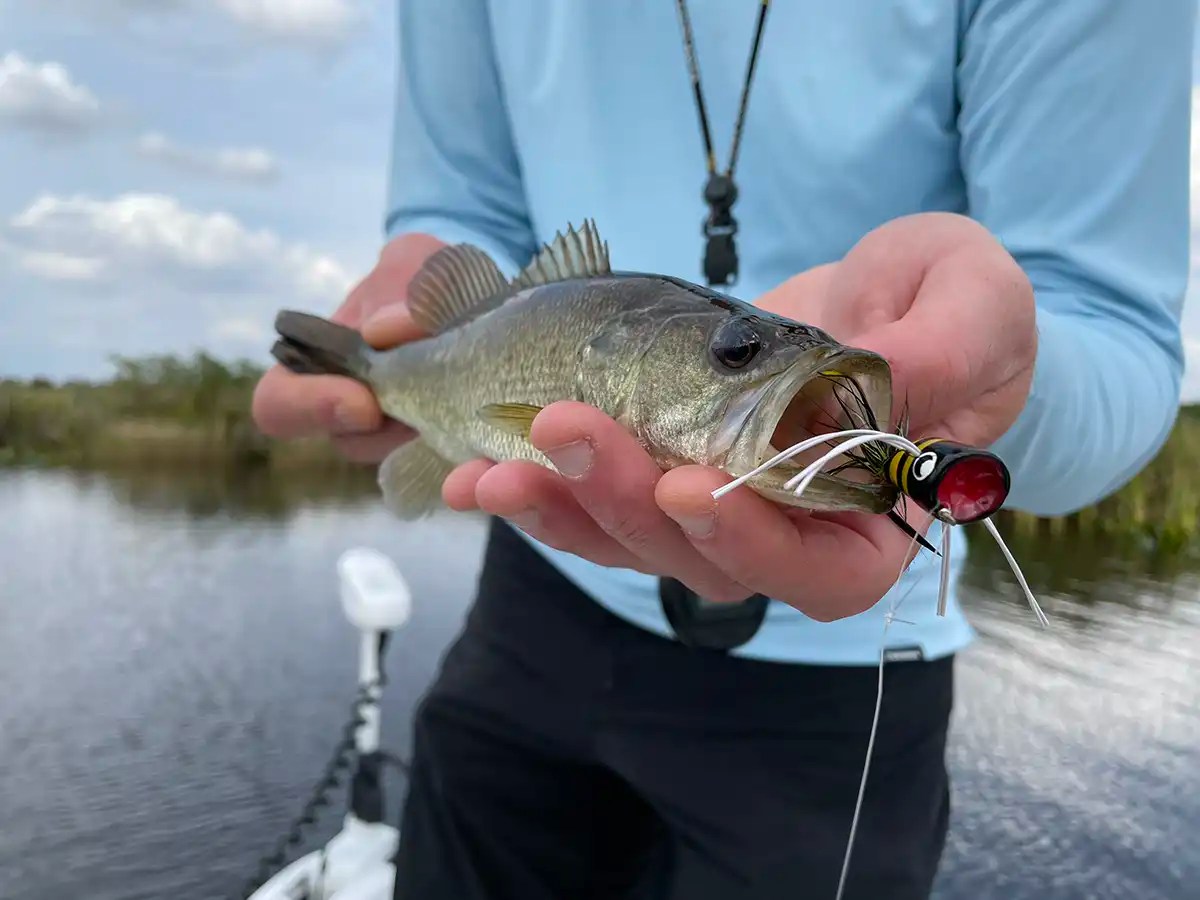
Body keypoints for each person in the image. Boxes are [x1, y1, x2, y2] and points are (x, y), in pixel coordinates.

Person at [252, 2, 1194, 898]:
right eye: (738, 351)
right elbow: (464, 206)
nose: (762, 363)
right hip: (535, 607)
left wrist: (1002, 379)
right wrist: (414, 283)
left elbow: (1109, 322)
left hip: (850, 676)